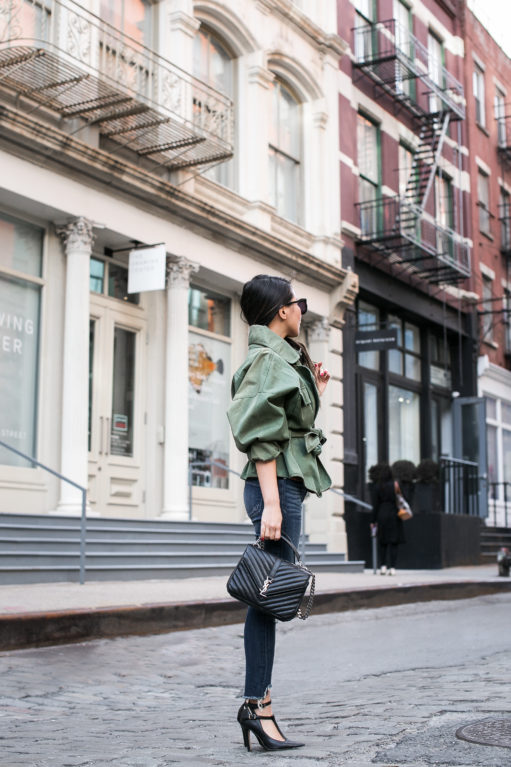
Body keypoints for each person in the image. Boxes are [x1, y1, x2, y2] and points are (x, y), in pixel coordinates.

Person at [227, 274, 331, 752]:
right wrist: (271, 502)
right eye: (298, 303)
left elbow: (286, 426)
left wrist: (317, 390)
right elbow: (261, 436)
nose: (302, 309)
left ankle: (257, 704)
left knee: (267, 597)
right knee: (267, 598)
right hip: (277, 491)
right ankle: (258, 707)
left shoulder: (280, 359)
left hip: (283, 488)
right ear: (281, 311)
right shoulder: (269, 358)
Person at [369, 462, 407, 575]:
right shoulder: (395, 485)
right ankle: (393, 568)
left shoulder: (377, 486)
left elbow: (375, 505)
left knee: (383, 542)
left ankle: (383, 566)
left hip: (382, 514)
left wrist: (372, 520)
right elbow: (401, 499)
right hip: (394, 515)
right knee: (393, 543)